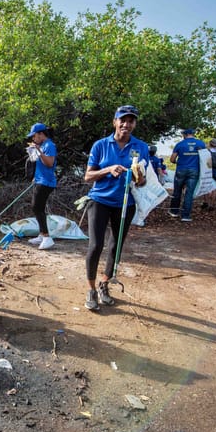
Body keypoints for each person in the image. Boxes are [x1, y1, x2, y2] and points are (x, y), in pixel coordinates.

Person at [83, 105, 150, 311]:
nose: (126, 124)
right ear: (115, 121)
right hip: (100, 200)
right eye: (123, 120)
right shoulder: (101, 145)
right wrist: (108, 169)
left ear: (134, 124)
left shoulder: (141, 147)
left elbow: (142, 182)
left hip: (125, 203)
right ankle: (91, 289)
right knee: (96, 246)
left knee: (116, 246)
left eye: (131, 121)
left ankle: (104, 284)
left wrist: (139, 177)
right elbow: (88, 176)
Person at [26, 122, 57, 250]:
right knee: (38, 207)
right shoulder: (43, 145)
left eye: (34, 136)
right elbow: (39, 164)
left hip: (46, 182)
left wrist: (38, 150)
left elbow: (50, 163)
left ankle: (46, 236)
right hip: (39, 180)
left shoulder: (49, 145)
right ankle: (41, 234)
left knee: (36, 207)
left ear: (40, 134)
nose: (33, 138)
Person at [168, 128, 206, 222]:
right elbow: (205, 158)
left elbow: (172, 159)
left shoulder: (180, 144)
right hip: (194, 170)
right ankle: (186, 216)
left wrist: (178, 162)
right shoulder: (201, 144)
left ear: (184, 135)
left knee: (177, 191)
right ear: (193, 134)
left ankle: (174, 212)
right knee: (189, 193)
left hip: (181, 169)